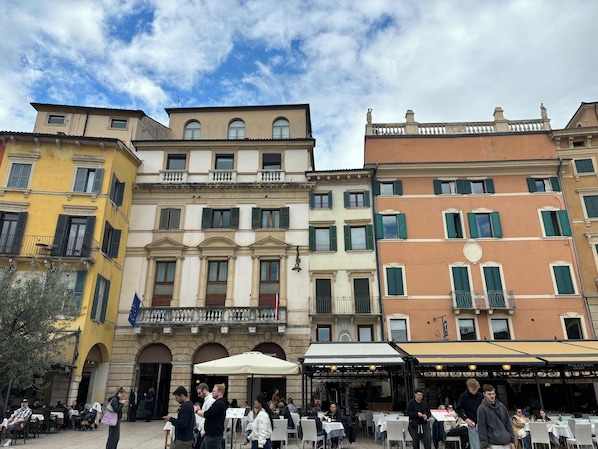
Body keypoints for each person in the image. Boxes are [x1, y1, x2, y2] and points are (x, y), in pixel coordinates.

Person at [477, 384, 514, 449]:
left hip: (506, 441)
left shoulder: (501, 406)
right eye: (489, 394)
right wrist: (485, 446)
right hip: (493, 443)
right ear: (484, 394)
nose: (492, 396)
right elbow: (482, 428)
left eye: (493, 394)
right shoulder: (481, 409)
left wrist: (512, 440)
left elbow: (508, 424)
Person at [197, 383, 228, 449]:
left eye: (214, 391)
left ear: (220, 392)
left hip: (213, 435)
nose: (212, 393)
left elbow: (208, 414)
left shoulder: (219, 403)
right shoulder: (217, 402)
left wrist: (196, 411)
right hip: (210, 434)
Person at [456, 378, 484, 449]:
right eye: (473, 390)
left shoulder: (480, 396)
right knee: (475, 445)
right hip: (472, 423)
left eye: (476, 389)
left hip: (482, 423)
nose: (474, 391)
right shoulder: (464, 397)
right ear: (469, 387)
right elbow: (458, 409)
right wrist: (465, 419)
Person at [195, 383, 215, 449]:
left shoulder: (210, 401)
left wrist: (203, 431)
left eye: (199, 393)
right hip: (203, 430)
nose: (199, 395)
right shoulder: (207, 400)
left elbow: (208, 417)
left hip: (205, 431)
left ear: (204, 390)